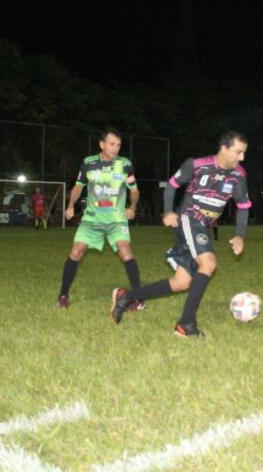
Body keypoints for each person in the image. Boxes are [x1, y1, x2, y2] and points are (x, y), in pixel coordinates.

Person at [110, 130, 251, 338]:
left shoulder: (238, 175)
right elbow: (172, 185)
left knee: (181, 282)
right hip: (188, 218)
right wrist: (168, 211)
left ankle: (126, 296)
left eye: (243, 153)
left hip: (203, 227)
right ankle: (186, 324)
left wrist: (240, 234)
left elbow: (243, 205)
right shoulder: (196, 165)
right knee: (209, 263)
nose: (242, 158)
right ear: (224, 148)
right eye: (238, 152)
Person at [57, 129, 145, 310]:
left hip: (116, 220)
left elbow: (134, 190)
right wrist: (71, 205)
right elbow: (78, 186)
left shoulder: (125, 164)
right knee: (76, 251)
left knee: (125, 250)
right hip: (92, 219)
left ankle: (138, 299)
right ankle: (63, 296)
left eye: (119, 145)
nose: (115, 148)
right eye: (112, 144)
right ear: (102, 144)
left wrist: (132, 208)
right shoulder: (88, 163)